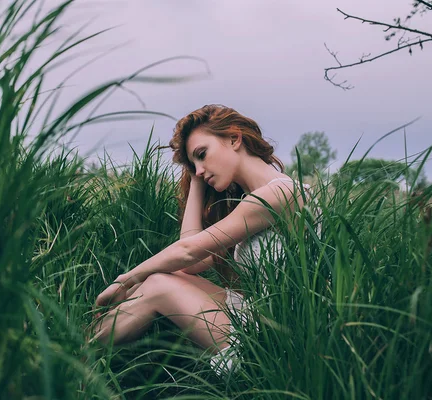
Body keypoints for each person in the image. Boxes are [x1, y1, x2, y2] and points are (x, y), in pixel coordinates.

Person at [91, 104, 312, 375]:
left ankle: (71, 357)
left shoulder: (282, 193)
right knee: (164, 279)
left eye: (202, 154)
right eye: (192, 163)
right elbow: (191, 264)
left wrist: (125, 280)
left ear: (234, 139)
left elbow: (187, 251)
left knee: (159, 284)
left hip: (282, 336)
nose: (199, 169)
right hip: (263, 315)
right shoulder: (249, 201)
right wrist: (196, 179)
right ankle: (75, 348)